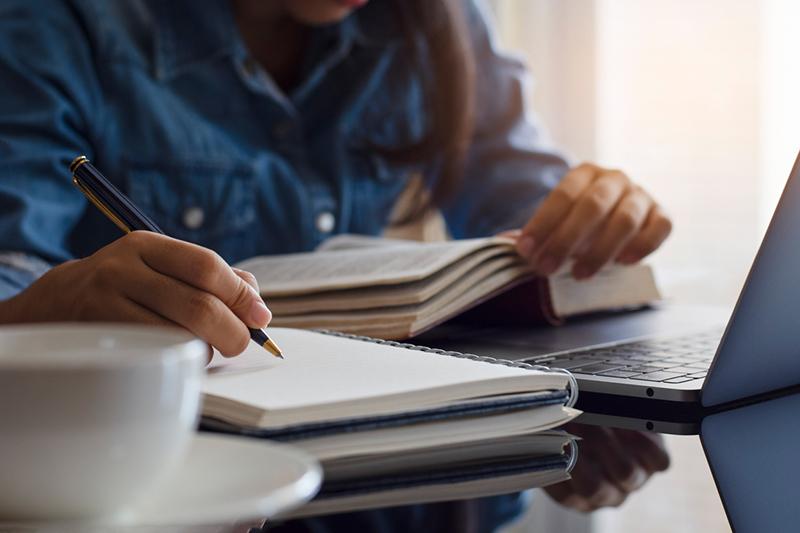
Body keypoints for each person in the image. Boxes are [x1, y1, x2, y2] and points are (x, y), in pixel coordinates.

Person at [0, 0, 672, 530]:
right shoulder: (61, 24)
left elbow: (527, 205)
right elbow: (12, 268)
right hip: (138, 476)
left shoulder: (431, 18)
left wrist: (598, 214)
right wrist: (49, 305)